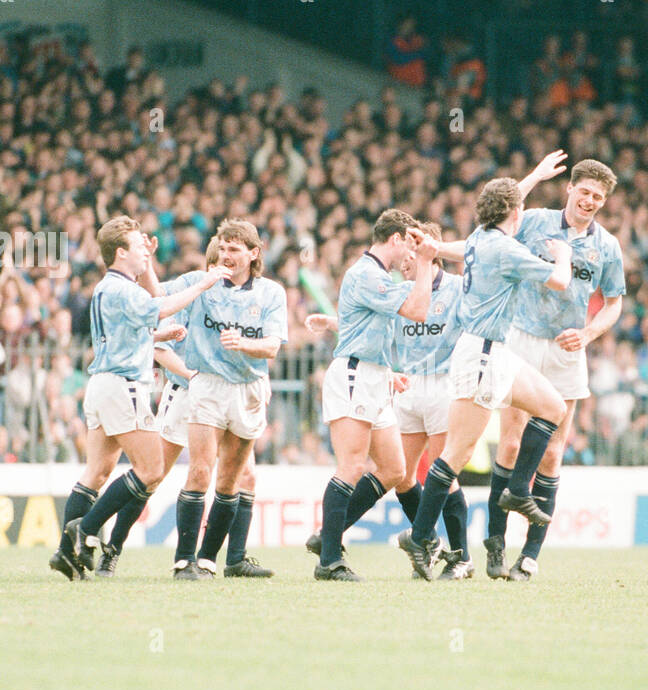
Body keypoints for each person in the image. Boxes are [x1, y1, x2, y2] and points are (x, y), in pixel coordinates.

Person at [396, 177, 572, 581]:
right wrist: (562, 254)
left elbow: (460, 247)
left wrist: (437, 247)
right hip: (482, 355)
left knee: (553, 408)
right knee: (455, 454)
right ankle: (420, 536)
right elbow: (559, 280)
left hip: (494, 352)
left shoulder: (479, 237)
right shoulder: (505, 248)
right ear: (516, 214)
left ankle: (518, 491)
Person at [51, 216, 226, 580]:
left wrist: (158, 338)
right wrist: (204, 283)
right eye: (138, 245)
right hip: (123, 387)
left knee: (96, 472)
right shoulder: (123, 289)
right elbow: (161, 305)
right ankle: (84, 530)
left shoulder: (108, 288)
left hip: (102, 383)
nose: (145, 250)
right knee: (150, 470)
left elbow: (127, 333)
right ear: (120, 253)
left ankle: (65, 553)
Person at [305, 221, 472, 579]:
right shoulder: (379, 278)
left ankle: (452, 552)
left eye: (418, 251)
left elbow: (376, 323)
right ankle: (331, 555)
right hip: (376, 378)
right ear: (397, 241)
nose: (410, 258)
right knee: (361, 467)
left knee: (408, 470)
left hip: (426, 382)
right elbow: (404, 315)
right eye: (409, 249)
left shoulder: (451, 288)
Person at [485, 155, 625, 581]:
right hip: (523, 339)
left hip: (568, 350)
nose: (590, 201)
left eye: (598, 197)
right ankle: (494, 544)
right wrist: (533, 178)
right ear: (569, 189)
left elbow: (615, 302)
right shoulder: (535, 223)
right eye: (584, 191)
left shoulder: (607, 246)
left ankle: (530, 555)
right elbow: (498, 216)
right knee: (509, 444)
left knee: (552, 451)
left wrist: (588, 335)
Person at [102, 233, 272, 579]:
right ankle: (112, 548)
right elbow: (160, 347)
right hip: (184, 393)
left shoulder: (243, 299)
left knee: (245, 475)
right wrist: (192, 375)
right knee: (154, 475)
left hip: (223, 394)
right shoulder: (191, 292)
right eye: (217, 262)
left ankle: (234, 558)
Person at [154, 219, 286, 580]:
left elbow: (273, 346)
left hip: (248, 389)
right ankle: (184, 561)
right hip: (207, 385)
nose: (226, 255)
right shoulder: (201, 281)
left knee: (230, 481)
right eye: (222, 248)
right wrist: (146, 263)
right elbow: (157, 297)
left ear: (253, 254)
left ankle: (210, 560)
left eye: (234, 249)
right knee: (199, 471)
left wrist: (244, 344)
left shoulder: (272, 293)